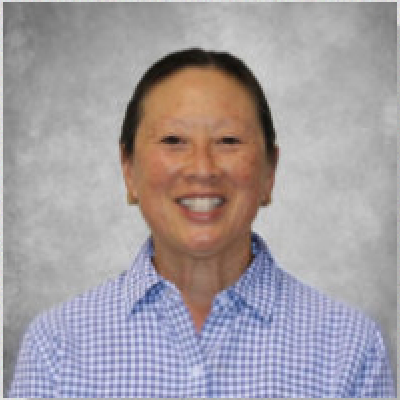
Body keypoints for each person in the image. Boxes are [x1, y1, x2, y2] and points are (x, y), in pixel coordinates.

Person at [8, 48, 395, 398]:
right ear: (128, 170)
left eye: (228, 140)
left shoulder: (349, 346)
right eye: (174, 140)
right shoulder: (56, 346)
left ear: (269, 172)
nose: (203, 169)